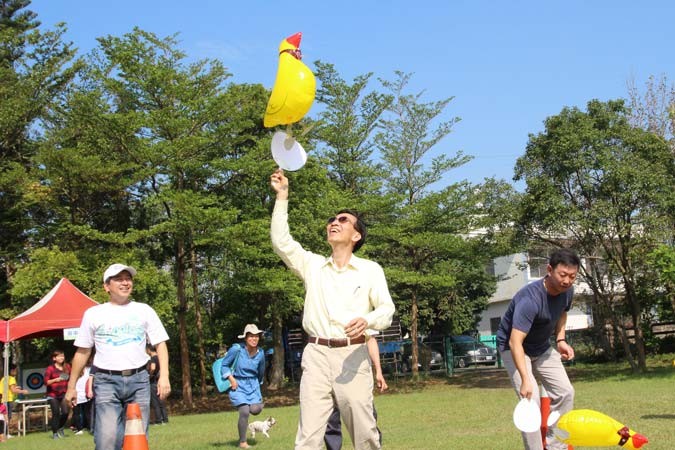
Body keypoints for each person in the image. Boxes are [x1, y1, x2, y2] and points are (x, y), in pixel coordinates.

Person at [270, 169, 395, 450]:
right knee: (308, 438)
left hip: (353, 355)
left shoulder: (370, 270)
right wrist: (282, 197)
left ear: (356, 236)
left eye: (343, 220)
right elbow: (281, 243)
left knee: (364, 433)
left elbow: (387, 309)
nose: (334, 223)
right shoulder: (313, 265)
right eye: (331, 220)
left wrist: (368, 320)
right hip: (315, 356)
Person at [65, 263, 171, 450]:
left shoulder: (144, 310)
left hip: (139, 380)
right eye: (119, 279)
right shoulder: (93, 314)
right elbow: (82, 352)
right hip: (106, 381)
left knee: (137, 439)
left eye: (128, 278)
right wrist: (72, 386)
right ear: (107, 286)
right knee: (108, 439)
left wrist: (164, 377)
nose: (125, 282)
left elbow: (160, 344)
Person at [496, 248, 580, 450]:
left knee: (566, 392)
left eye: (572, 276)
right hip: (515, 348)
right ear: (549, 270)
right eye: (563, 275)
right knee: (530, 401)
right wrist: (525, 379)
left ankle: (555, 446)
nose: (567, 281)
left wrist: (560, 340)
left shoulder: (567, 292)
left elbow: (562, 313)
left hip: (542, 347)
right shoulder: (530, 299)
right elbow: (515, 342)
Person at [324, 335, 388, 450]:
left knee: (366, 421)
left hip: (356, 378)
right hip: (328, 374)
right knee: (330, 423)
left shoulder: (359, 320)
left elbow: (371, 340)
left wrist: (378, 371)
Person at [221, 324, 266, 449]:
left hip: (253, 385)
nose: (254, 339)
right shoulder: (236, 349)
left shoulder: (261, 353)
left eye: (256, 336)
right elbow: (224, 365)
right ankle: (242, 442)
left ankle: (260, 403)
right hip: (237, 384)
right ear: (245, 338)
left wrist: (259, 384)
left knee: (255, 410)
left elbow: (261, 370)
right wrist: (231, 379)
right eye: (251, 336)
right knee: (245, 412)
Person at [45, 349, 71, 439]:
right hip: (52, 394)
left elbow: (70, 378)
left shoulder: (67, 367)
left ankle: (60, 427)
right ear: (54, 358)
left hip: (64, 393)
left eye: (63, 356)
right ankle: (55, 433)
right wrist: (56, 380)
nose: (62, 358)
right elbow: (46, 382)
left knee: (65, 412)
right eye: (59, 356)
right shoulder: (50, 368)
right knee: (55, 413)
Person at [0, 365, 28, 435]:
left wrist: (16, 387)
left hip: (2, 399)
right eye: (15, 370)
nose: (16, 372)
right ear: (12, 371)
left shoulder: (4, 378)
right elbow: (13, 390)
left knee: (3, 416)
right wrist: (23, 391)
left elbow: (8, 388)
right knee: (7, 417)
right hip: (8, 399)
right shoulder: (11, 378)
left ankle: (4, 433)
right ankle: (6, 433)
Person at [146, 344, 169, 425]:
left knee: (155, 402)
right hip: (160, 380)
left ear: (148, 349)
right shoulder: (159, 357)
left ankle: (158, 420)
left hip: (153, 381)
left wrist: (150, 375)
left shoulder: (152, 358)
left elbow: (153, 367)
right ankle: (165, 419)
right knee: (161, 401)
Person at [72, 354, 94, 435]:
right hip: (77, 393)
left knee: (88, 411)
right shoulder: (76, 370)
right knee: (76, 412)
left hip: (87, 392)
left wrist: (89, 390)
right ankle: (78, 428)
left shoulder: (91, 369)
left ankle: (89, 427)